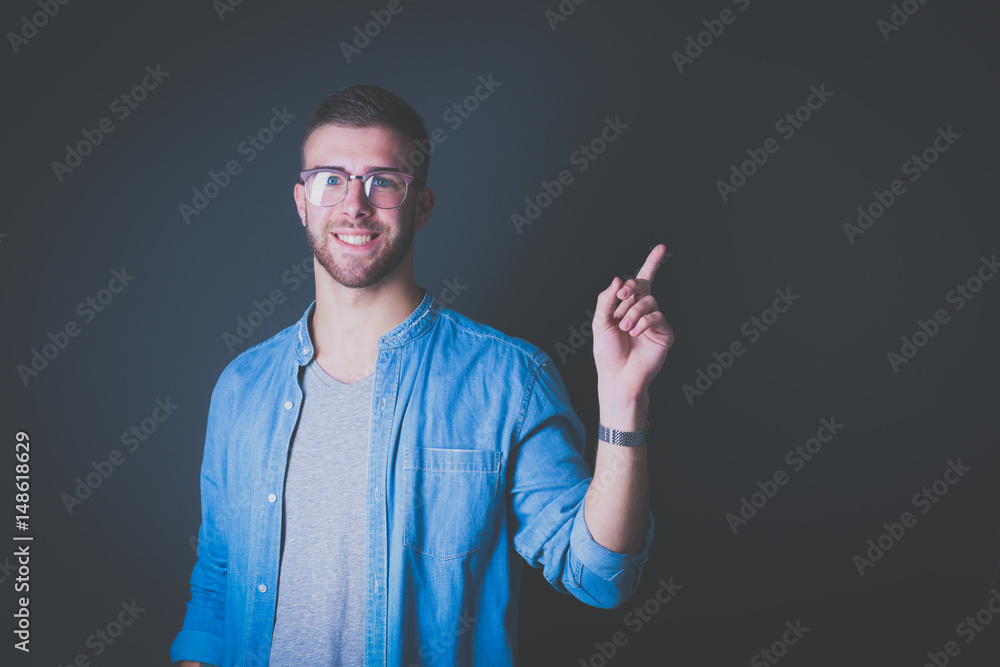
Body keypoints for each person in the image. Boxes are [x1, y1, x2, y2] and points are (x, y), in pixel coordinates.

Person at [170, 84, 674, 667]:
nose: (354, 205)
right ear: (301, 200)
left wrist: (623, 401)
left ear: (422, 205)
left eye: (383, 180)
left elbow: (599, 576)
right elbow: (214, 588)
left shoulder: (509, 379)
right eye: (330, 179)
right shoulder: (241, 387)